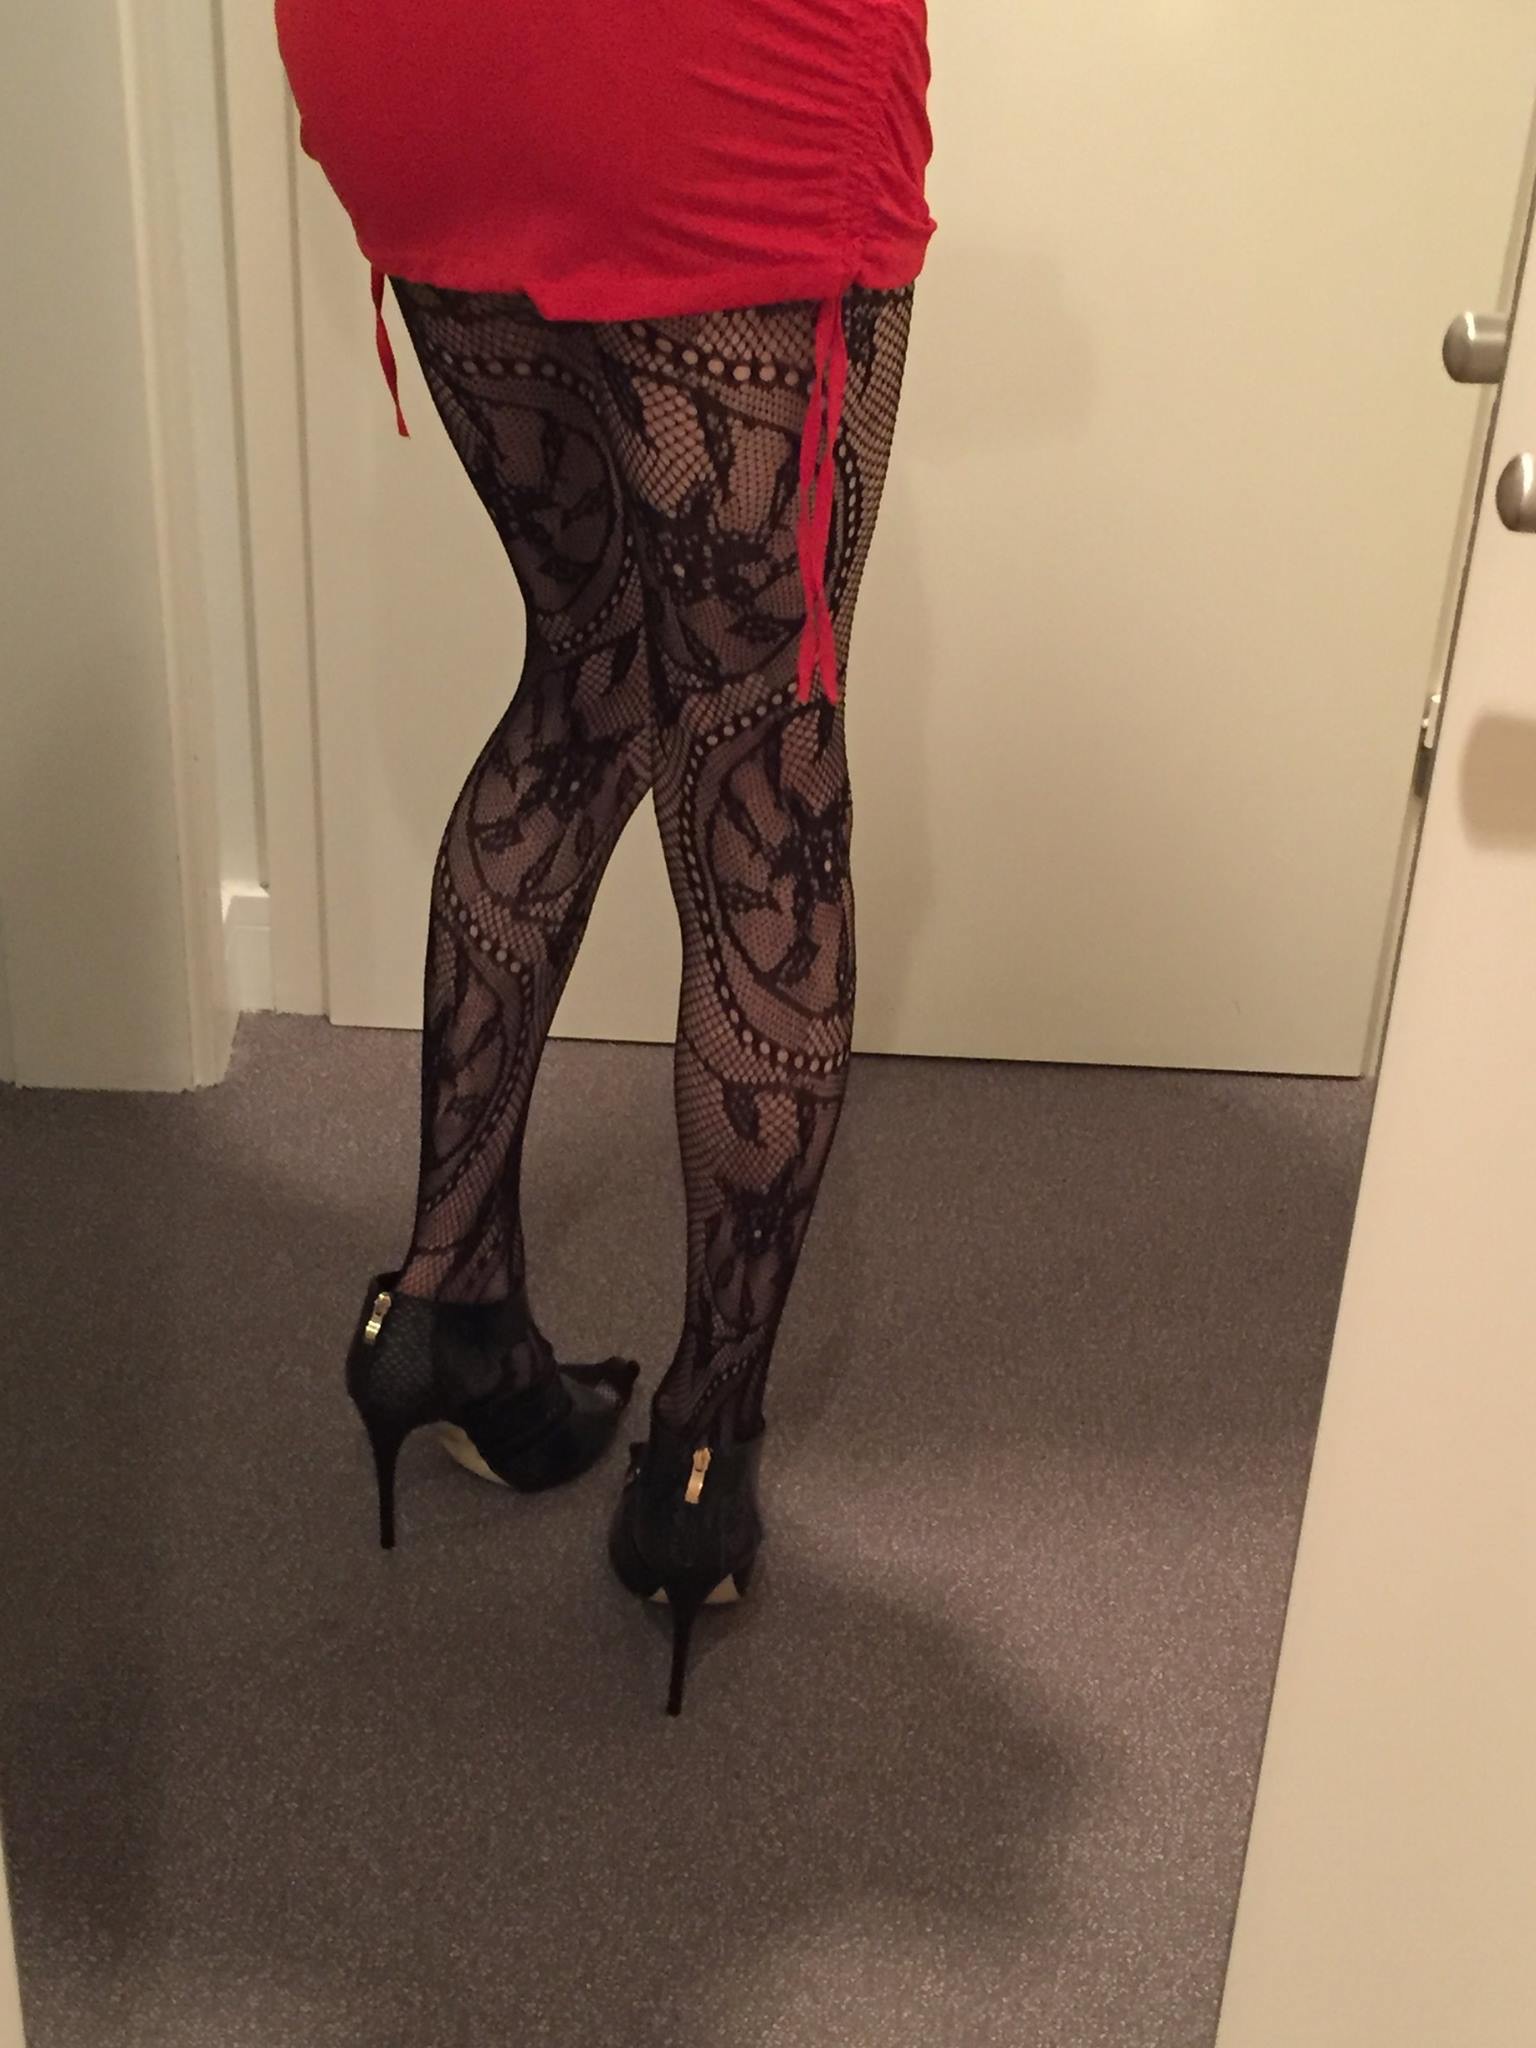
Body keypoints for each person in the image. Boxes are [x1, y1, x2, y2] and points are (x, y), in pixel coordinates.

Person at [275, 0, 936, 1713]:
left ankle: (445, 1305)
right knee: (764, 771)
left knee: (585, 670)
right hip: (716, 87)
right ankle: (699, 1462)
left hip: (406, 59)